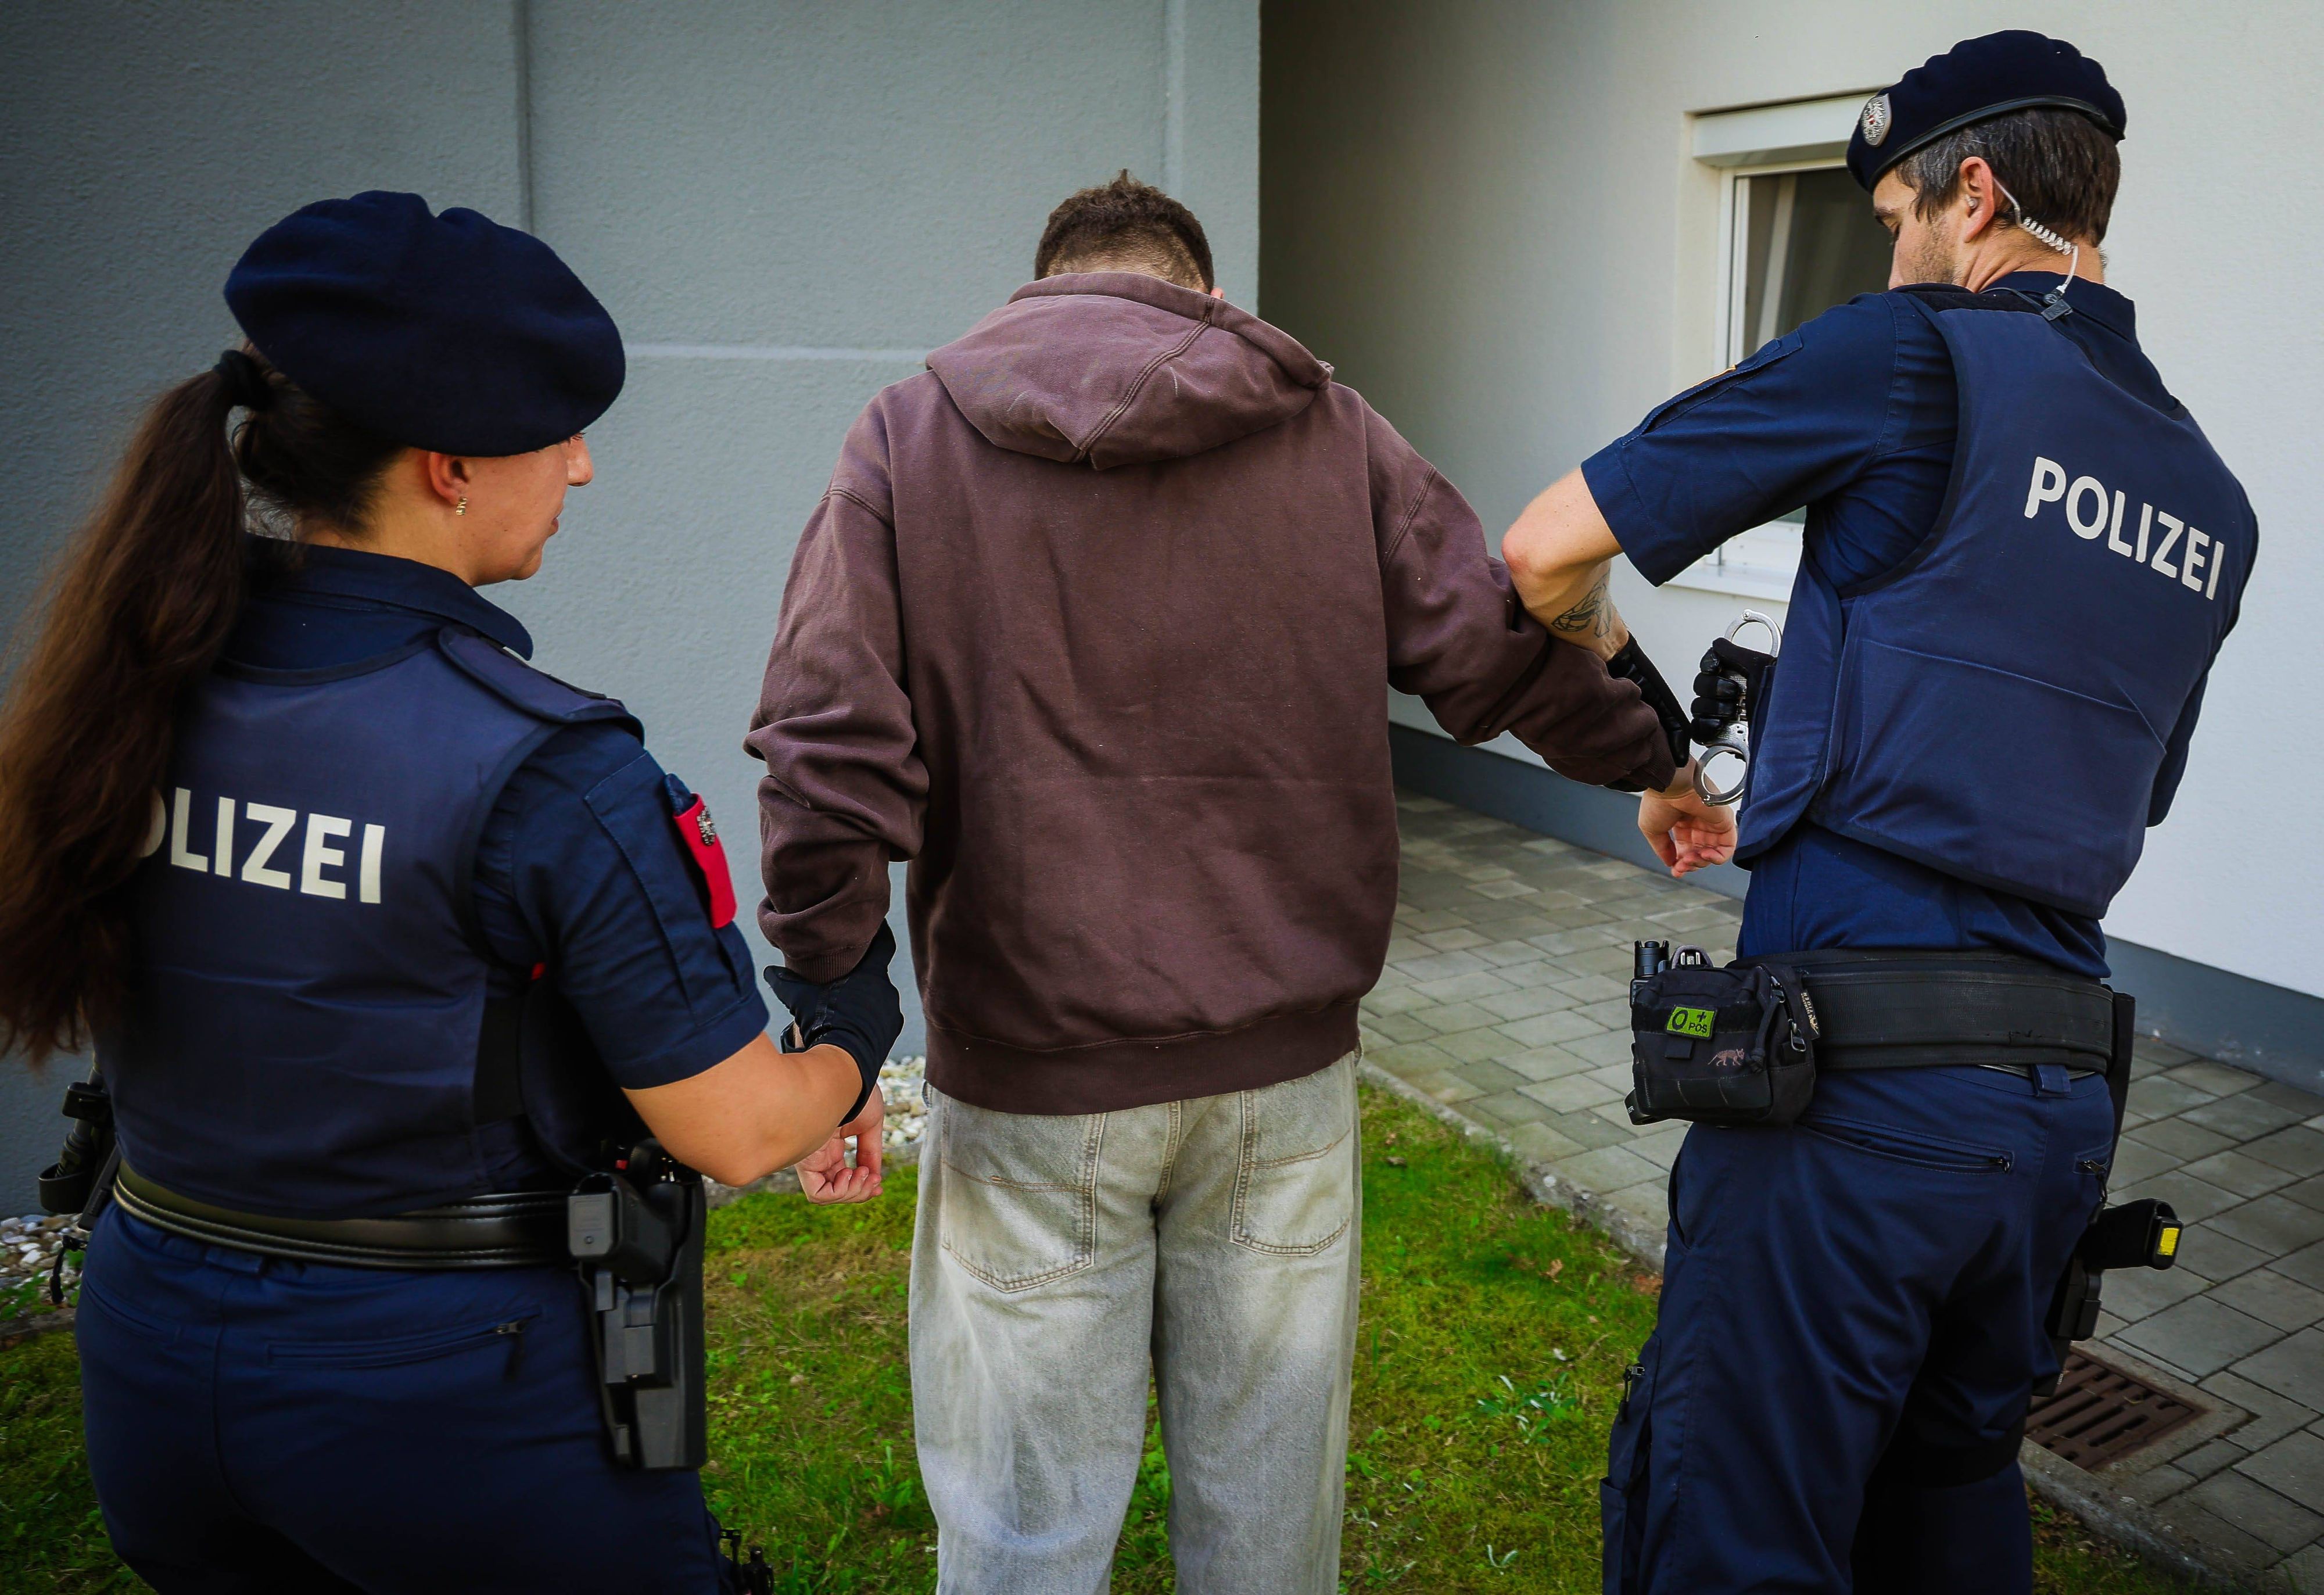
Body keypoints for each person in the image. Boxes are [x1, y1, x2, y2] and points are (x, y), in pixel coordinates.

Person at [745, 171, 1698, 1593]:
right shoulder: (1326, 429)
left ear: (1044, 288)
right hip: (1278, 1081)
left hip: (1027, 1083)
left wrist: (834, 1016)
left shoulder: (906, 438)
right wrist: (1651, 753)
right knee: (1264, 1539)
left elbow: (828, 749)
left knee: (1020, 1536)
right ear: (1204, 296)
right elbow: (1492, 643)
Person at [0, 191, 899, 1593]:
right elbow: (734, 1129)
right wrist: (853, 1019)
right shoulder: (543, 766)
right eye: (556, 434)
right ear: (447, 468)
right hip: (448, 1410)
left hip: (157, 1356)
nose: (583, 470)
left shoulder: (131, 687)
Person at [1499, 33, 2254, 1595]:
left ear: (1971, 195)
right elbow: (2094, 769)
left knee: (1734, 1525)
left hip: (1853, 1100)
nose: (1895, 248)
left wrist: (1660, 761)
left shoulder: (1910, 356)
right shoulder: (2208, 500)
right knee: (1950, 1497)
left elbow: (1544, 551)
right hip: (2053, 1109)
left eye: (1898, 210)